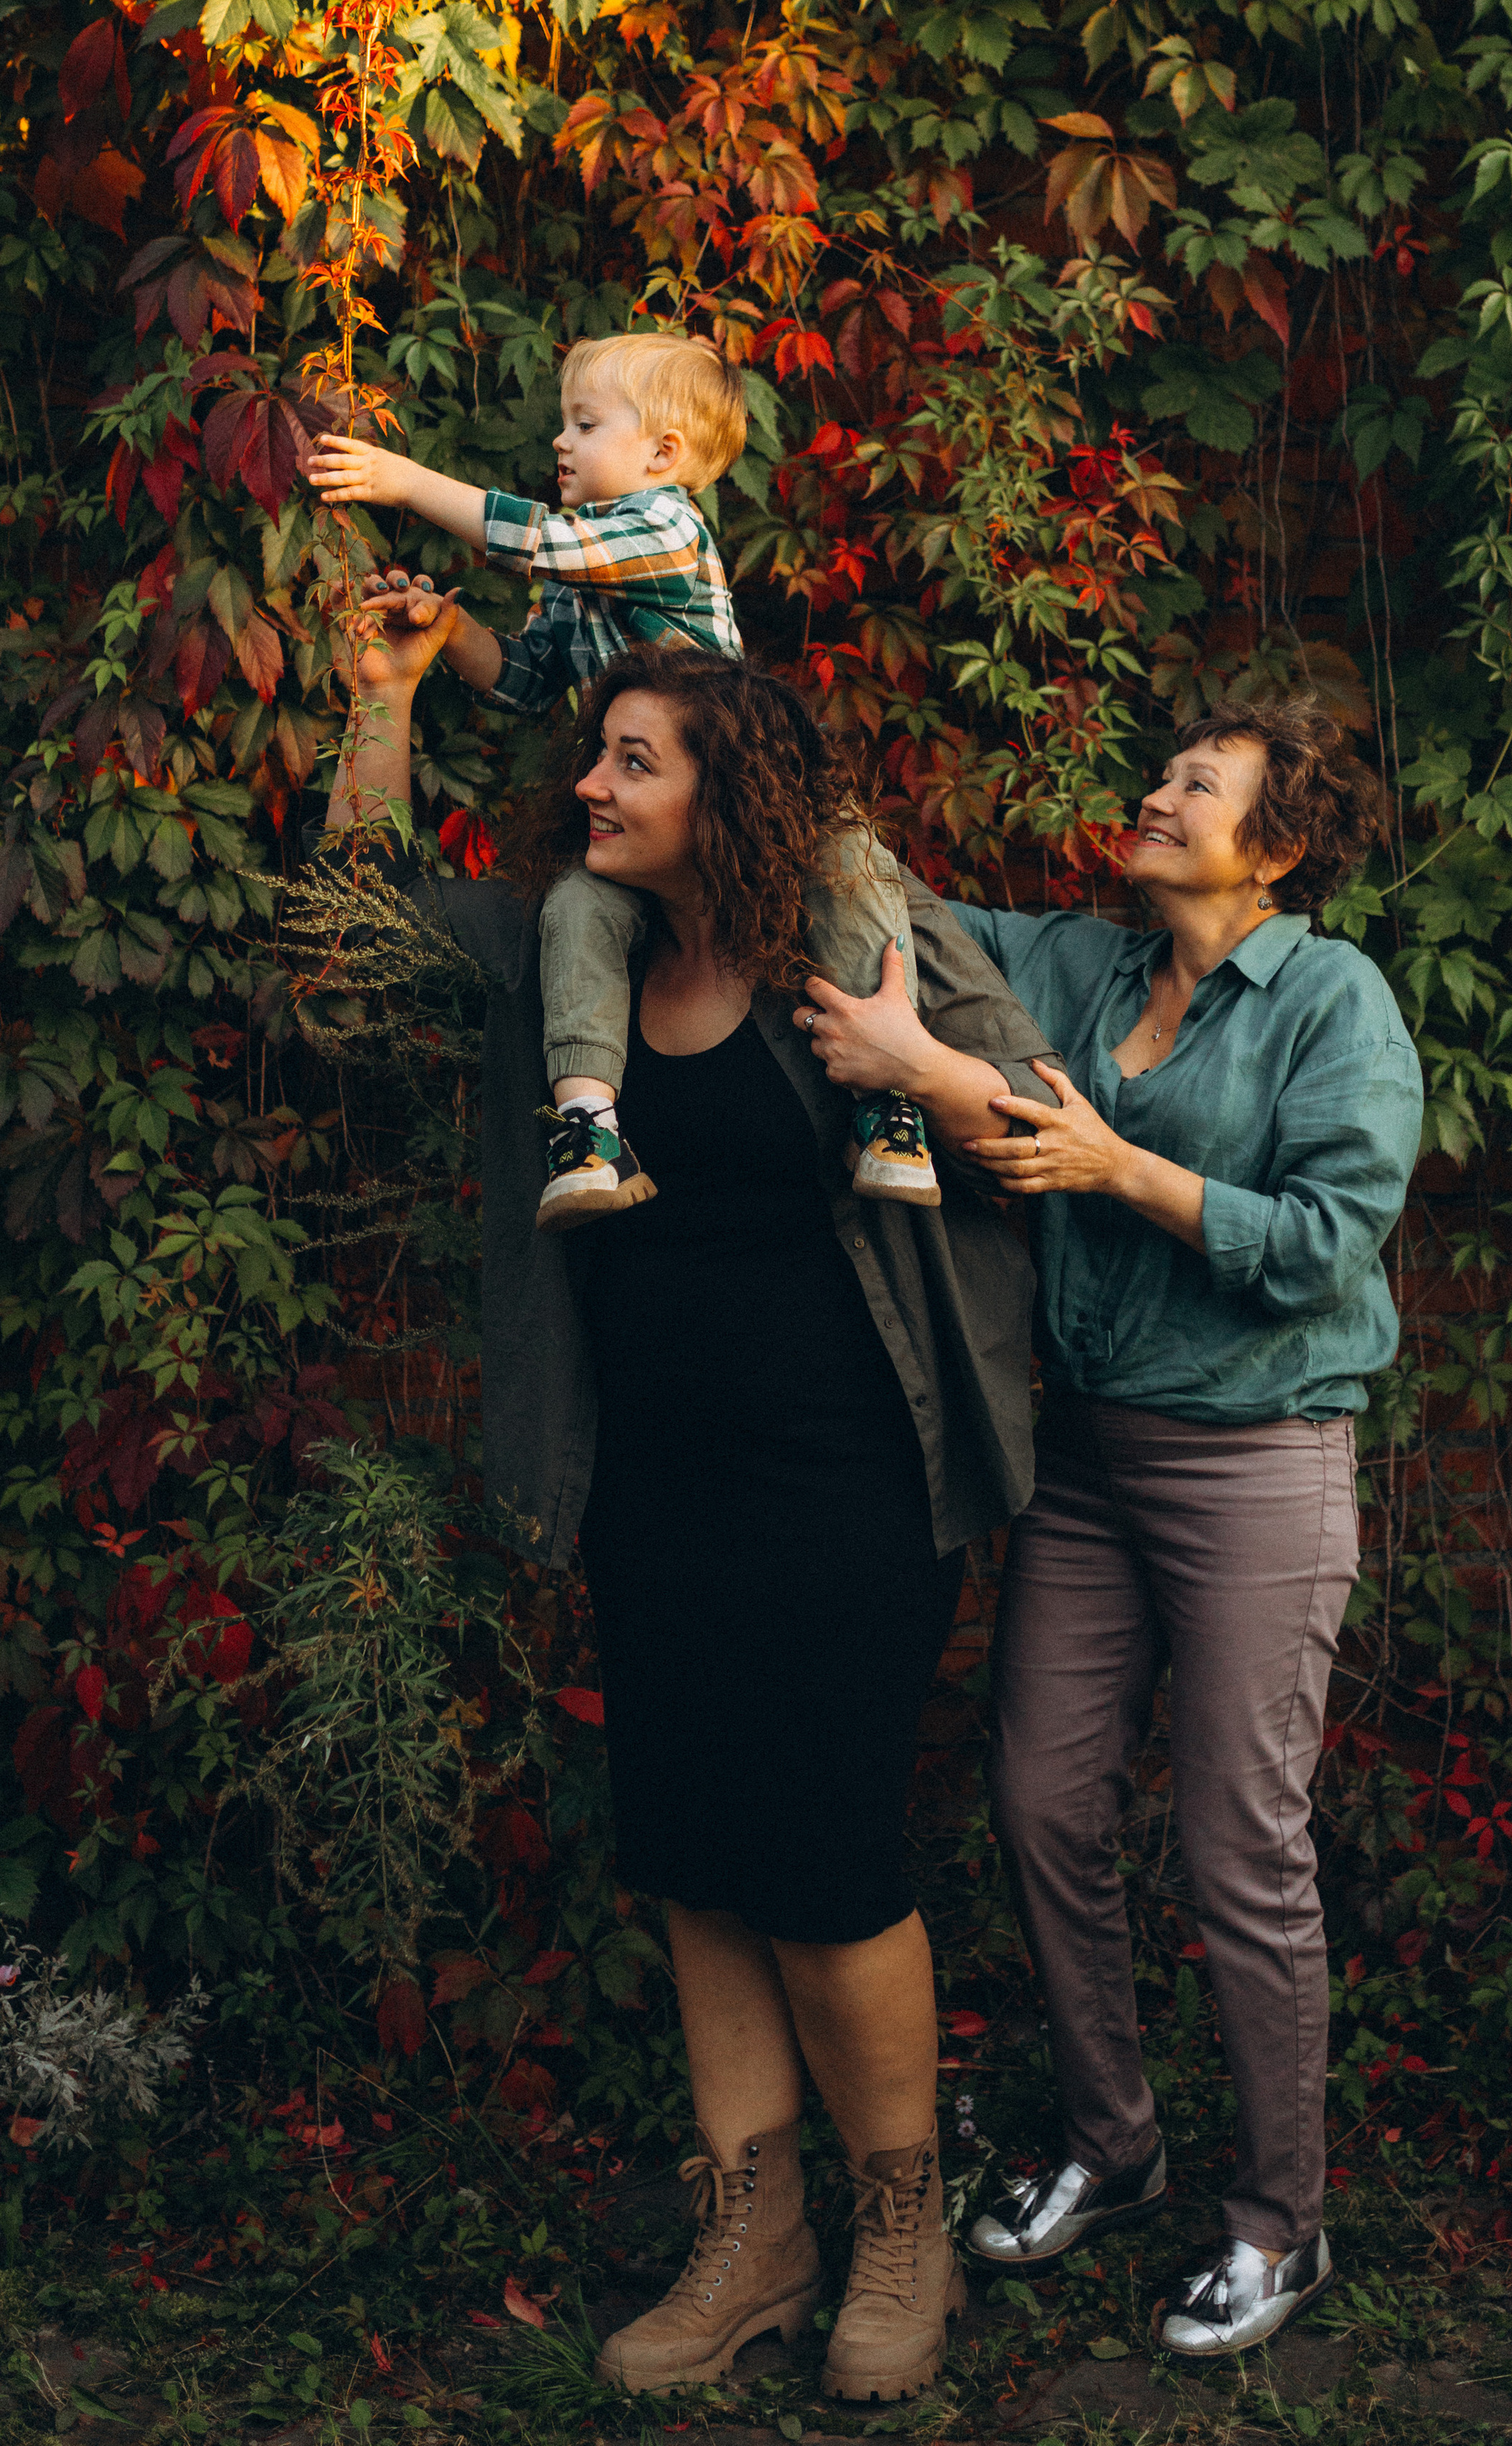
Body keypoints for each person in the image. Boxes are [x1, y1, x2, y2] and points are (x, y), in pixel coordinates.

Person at [320, 610, 1061, 2405]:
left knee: (822, 1859)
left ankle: (898, 2229)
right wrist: (379, 700)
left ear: (726, 786)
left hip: (845, 1483)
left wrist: (908, 1064)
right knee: (690, 1857)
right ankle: (757, 2234)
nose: (589, 782)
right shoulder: (571, 959)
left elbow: (1040, 1119)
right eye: (594, 754)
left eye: (631, 758)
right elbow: (358, 934)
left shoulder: (852, 939)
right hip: (649, 1484)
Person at [805, 698, 1422, 2358]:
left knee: (1239, 1847)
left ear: (1275, 843)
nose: (1151, 795)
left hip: (1253, 1463)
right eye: (1160, 772)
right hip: (1079, 1457)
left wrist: (1112, 1164)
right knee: (1038, 1793)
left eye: (1194, 786)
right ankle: (1114, 2136)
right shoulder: (1067, 963)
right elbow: (887, 904)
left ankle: (1277, 2224)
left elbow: (1326, 1243)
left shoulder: (1329, 999)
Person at [304, 327, 941, 1230]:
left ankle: (893, 1102)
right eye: (566, 423)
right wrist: (446, 641)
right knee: (575, 909)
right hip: (657, 825)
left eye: (585, 423)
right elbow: (526, 682)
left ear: (662, 454)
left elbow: (537, 541)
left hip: (749, 798)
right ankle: (590, 1129)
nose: (560, 443)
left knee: (848, 864)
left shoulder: (663, 523)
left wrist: (405, 482)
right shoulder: (575, 574)